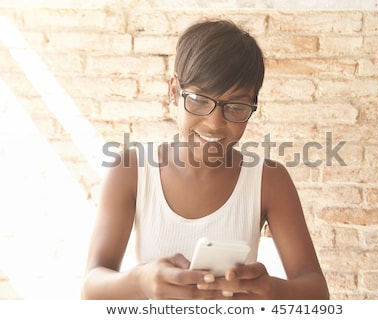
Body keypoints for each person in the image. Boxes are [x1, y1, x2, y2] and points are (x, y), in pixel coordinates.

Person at [81, 19, 329, 300]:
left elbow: (316, 291)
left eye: (235, 106)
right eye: (199, 99)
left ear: (253, 105)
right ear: (174, 91)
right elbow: (91, 286)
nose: (214, 124)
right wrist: (140, 281)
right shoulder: (131, 171)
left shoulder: (268, 180)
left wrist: (270, 289)